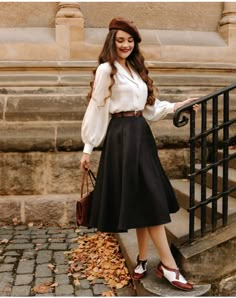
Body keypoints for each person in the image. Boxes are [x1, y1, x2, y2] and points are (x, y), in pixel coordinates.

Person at [80, 17, 198, 291]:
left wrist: (178, 105)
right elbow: (97, 108)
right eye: (120, 39)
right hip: (121, 137)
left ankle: (143, 258)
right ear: (112, 41)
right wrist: (88, 147)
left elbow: (150, 109)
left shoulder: (135, 69)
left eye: (130, 40)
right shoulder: (105, 70)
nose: (125, 44)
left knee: (145, 196)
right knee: (148, 198)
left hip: (141, 135)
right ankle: (169, 266)